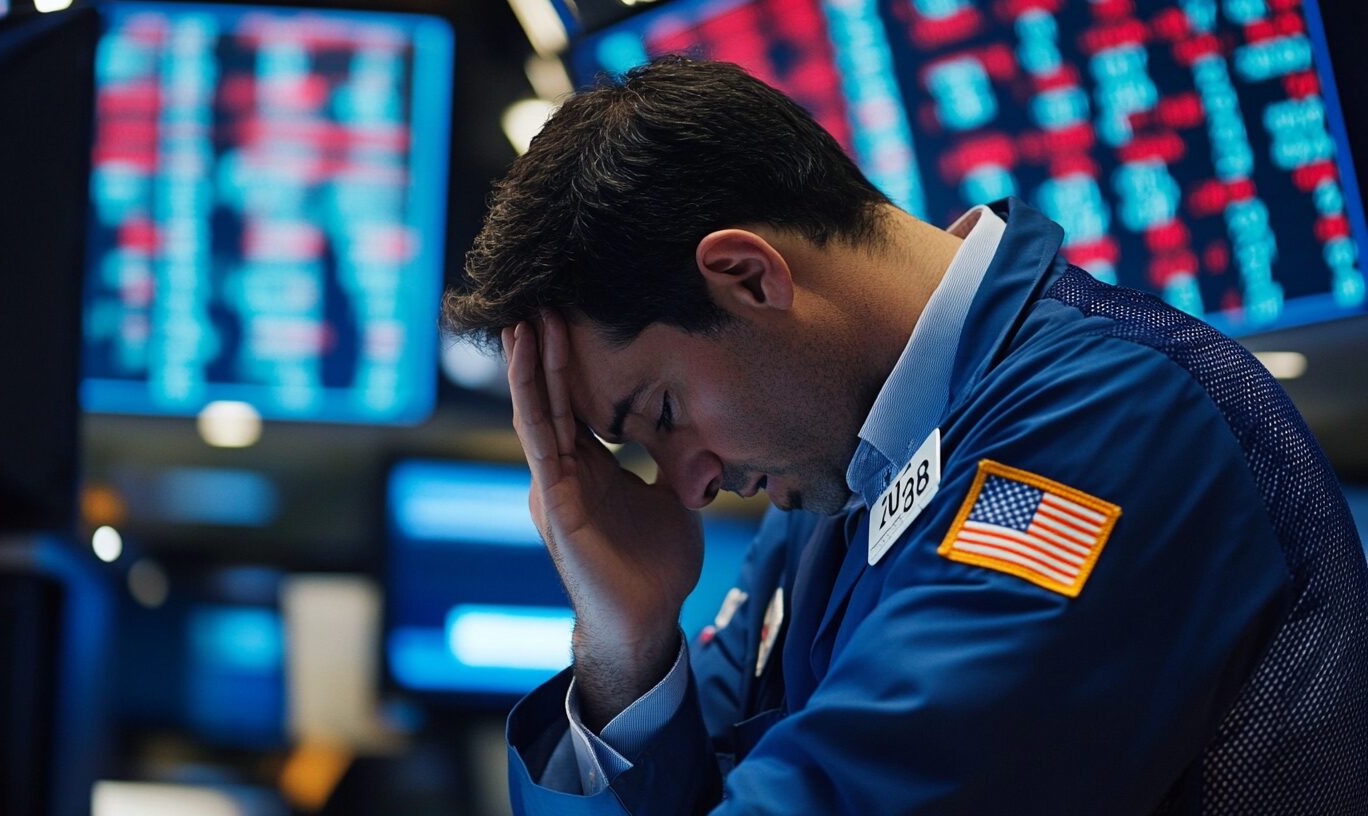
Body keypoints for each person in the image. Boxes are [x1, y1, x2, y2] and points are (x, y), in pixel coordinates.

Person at [441, 57, 1368, 814]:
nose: (688, 484)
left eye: (662, 417)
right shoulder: (842, 484)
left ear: (749, 278)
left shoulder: (1105, 421)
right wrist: (626, 644)